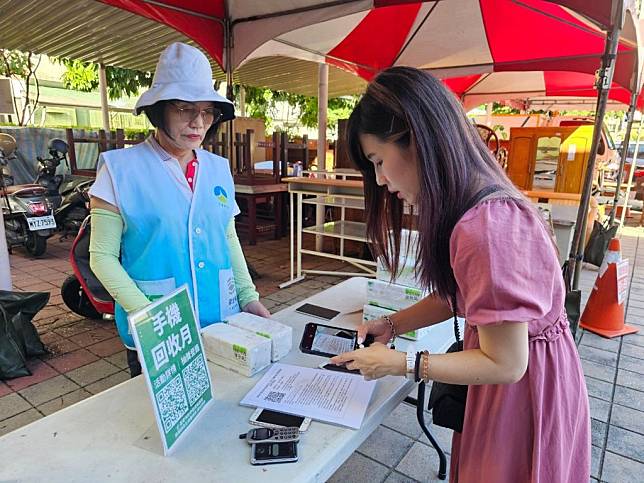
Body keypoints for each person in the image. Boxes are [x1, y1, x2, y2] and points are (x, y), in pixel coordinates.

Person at [330, 67, 590, 482]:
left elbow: (505, 362)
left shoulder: (484, 226)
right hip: (521, 381)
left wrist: (400, 363)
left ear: (416, 138)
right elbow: (465, 294)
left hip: (518, 394)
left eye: (379, 161)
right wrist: (392, 324)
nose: (380, 180)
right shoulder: (475, 201)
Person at [88, 43, 269, 376]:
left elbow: (227, 237)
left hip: (221, 319)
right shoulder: (119, 170)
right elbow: (101, 257)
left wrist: (248, 296)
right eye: (185, 109)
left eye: (207, 112)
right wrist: (149, 316)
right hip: (158, 327)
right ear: (159, 110)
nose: (198, 122)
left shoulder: (218, 168)